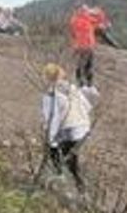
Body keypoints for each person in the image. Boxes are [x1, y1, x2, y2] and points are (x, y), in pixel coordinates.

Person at [40, 63, 97, 192]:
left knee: (55, 151)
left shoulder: (50, 95)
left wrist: (52, 140)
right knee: (71, 156)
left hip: (70, 129)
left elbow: (51, 119)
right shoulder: (72, 88)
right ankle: (79, 185)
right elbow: (88, 107)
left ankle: (60, 176)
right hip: (83, 127)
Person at [69, 2, 111, 88]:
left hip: (79, 47)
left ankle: (81, 84)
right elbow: (103, 25)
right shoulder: (88, 19)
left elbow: (73, 33)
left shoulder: (74, 20)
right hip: (87, 46)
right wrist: (99, 16)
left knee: (80, 65)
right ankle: (88, 85)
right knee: (88, 66)